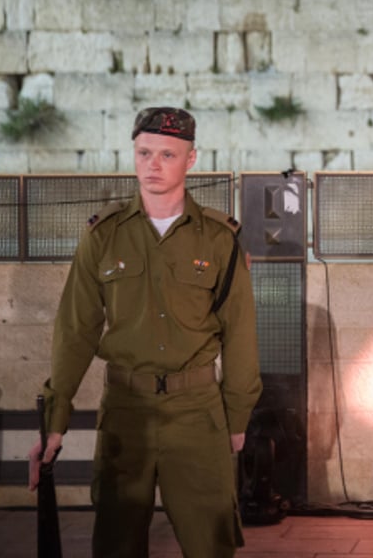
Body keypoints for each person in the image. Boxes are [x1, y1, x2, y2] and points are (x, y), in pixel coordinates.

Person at [29, 107, 262, 558]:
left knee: (210, 543)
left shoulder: (218, 240)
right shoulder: (104, 236)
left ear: (191, 160)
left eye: (167, 155)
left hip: (197, 413)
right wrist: (55, 421)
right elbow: (76, 330)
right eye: (144, 153)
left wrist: (237, 415)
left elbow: (240, 334)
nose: (153, 165)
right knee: (116, 542)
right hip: (125, 411)